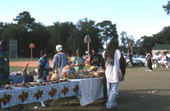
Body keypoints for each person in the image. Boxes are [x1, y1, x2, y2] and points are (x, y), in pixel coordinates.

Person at [104, 40, 125, 111]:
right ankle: (109, 105)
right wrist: (123, 73)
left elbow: (102, 63)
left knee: (109, 90)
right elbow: (122, 63)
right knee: (114, 91)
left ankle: (113, 104)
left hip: (107, 73)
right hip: (115, 72)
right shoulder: (118, 52)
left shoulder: (105, 52)